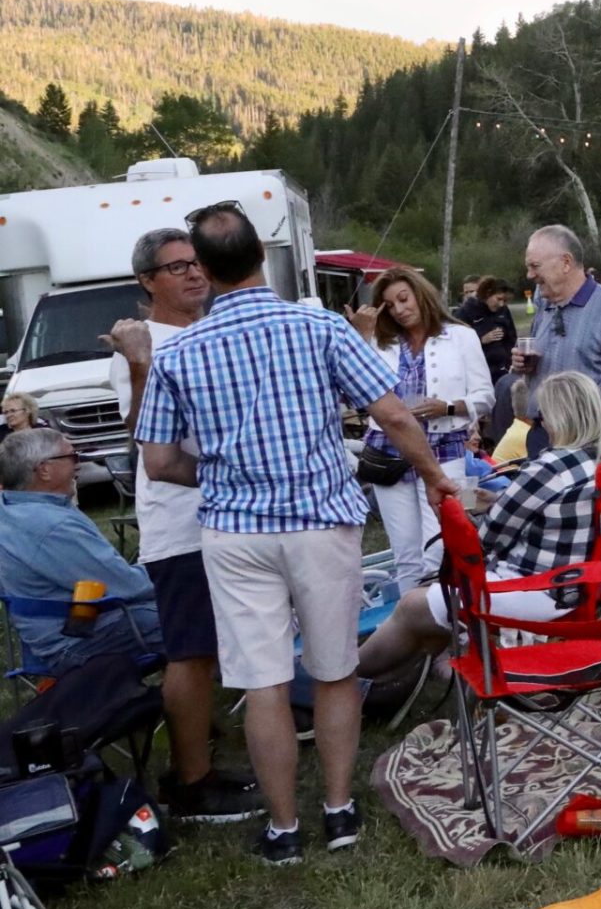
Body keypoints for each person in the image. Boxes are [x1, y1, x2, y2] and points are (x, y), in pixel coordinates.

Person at [136, 202, 452, 864]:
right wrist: (432, 478)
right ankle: (338, 812)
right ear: (260, 258)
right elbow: (393, 414)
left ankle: (283, 829)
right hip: (318, 522)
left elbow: (160, 462)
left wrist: (226, 474)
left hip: (233, 532)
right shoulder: (317, 328)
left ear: (208, 271)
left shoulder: (179, 352)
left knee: (264, 683)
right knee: (334, 672)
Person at [104, 227, 260, 823]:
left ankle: (205, 752)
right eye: (176, 268)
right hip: (180, 524)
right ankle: (190, 783)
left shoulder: (210, 332)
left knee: (213, 646)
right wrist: (140, 363)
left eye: (196, 264)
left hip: (228, 517)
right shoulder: (142, 343)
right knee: (190, 651)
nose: (194, 275)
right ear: (147, 281)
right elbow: (141, 436)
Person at [353, 371, 601, 686]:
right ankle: (380, 689)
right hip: (586, 584)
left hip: (538, 590)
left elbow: (487, 541)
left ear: (561, 416)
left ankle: (341, 681)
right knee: (430, 611)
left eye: (542, 414)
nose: (541, 423)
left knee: (413, 604)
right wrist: (497, 498)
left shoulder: (551, 466)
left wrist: (457, 515)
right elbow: (556, 511)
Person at [349, 265, 496, 589]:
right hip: (390, 453)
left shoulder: (460, 336)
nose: (400, 309)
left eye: (404, 298)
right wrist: (360, 337)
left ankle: (445, 627)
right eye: (391, 304)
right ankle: (415, 630)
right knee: (406, 555)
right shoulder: (379, 342)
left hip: (445, 450)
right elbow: (354, 392)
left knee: (442, 549)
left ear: (420, 294)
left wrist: (446, 407)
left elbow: (485, 396)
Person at [0, 429, 178, 674]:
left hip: (52, 634)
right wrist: (179, 574)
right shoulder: (51, 526)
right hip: (76, 641)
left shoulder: (10, 509)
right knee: (191, 613)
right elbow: (128, 586)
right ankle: (238, 682)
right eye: (72, 456)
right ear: (44, 469)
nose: (79, 463)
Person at [516, 224, 601, 454]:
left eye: (535, 266)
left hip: (588, 439)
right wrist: (525, 366)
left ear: (566, 262)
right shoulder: (543, 307)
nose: (529, 275)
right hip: (541, 435)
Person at [455, 275, 517, 386]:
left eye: (504, 300)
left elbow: (512, 338)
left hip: (504, 373)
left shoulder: (503, 311)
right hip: (478, 376)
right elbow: (455, 345)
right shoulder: (465, 312)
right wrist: (481, 340)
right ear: (488, 293)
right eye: (498, 299)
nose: (501, 304)